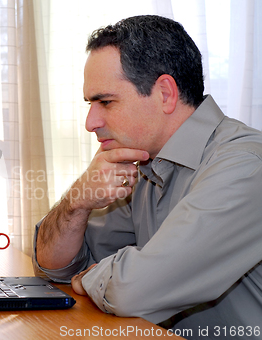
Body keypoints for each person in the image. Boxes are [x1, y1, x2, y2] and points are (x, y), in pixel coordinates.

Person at [33, 15, 262, 338]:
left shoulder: (247, 165)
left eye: (106, 102)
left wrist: (93, 277)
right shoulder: (141, 163)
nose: (90, 122)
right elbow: (55, 266)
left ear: (165, 93)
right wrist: (77, 201)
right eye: (90, 104)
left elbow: (132, 291)